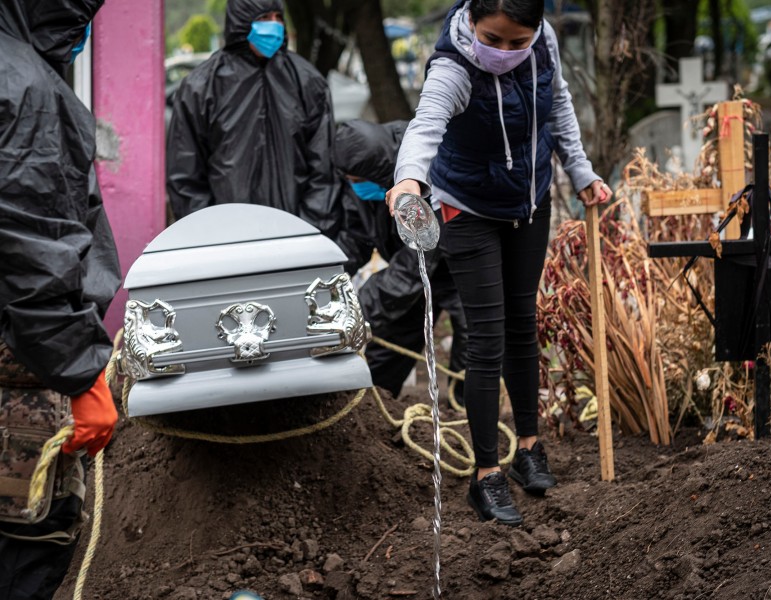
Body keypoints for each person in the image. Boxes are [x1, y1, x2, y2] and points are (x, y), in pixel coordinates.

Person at [385, 0, 611, 526]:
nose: (505, 53)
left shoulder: (545, 41)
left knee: (522, 323)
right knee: (486, 337)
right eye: (495, 38)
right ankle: (486, 475)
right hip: (464, 207)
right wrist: (406, 180)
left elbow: (558, 105)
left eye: (518, 42)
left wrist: (581, 172)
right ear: (472, 22)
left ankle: (528, 447)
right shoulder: (453, 67)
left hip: (528, 201)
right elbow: (425, 125)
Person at [0, 0, 121, 596]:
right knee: (29, 542)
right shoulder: (21, 85)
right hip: (22, 364)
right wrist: (81, 374)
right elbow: (29, 246)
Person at [166, 0, 344, 243]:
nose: (273, 26)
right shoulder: (201, 87)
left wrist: (309, 233)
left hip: (297, 242)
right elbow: (185, 175)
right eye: (263, 18)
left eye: (277, 17)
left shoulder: (308, 83)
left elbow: (324, 169)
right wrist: (209, 236)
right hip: (225, 243)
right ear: (241, 21)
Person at [333, 119, 467, 400]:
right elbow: (356, 237)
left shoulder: (422, 165)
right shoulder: (361, 171)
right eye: (348, 180)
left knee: (473, 342)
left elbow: (415, 264)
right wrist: (329, 279)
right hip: (409, 270)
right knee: (389, 347)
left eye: (356, 181)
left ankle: (467, 413)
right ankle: (377, 407)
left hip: (457, 267)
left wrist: (359, 308)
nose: (352, 186)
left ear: (377, 172)